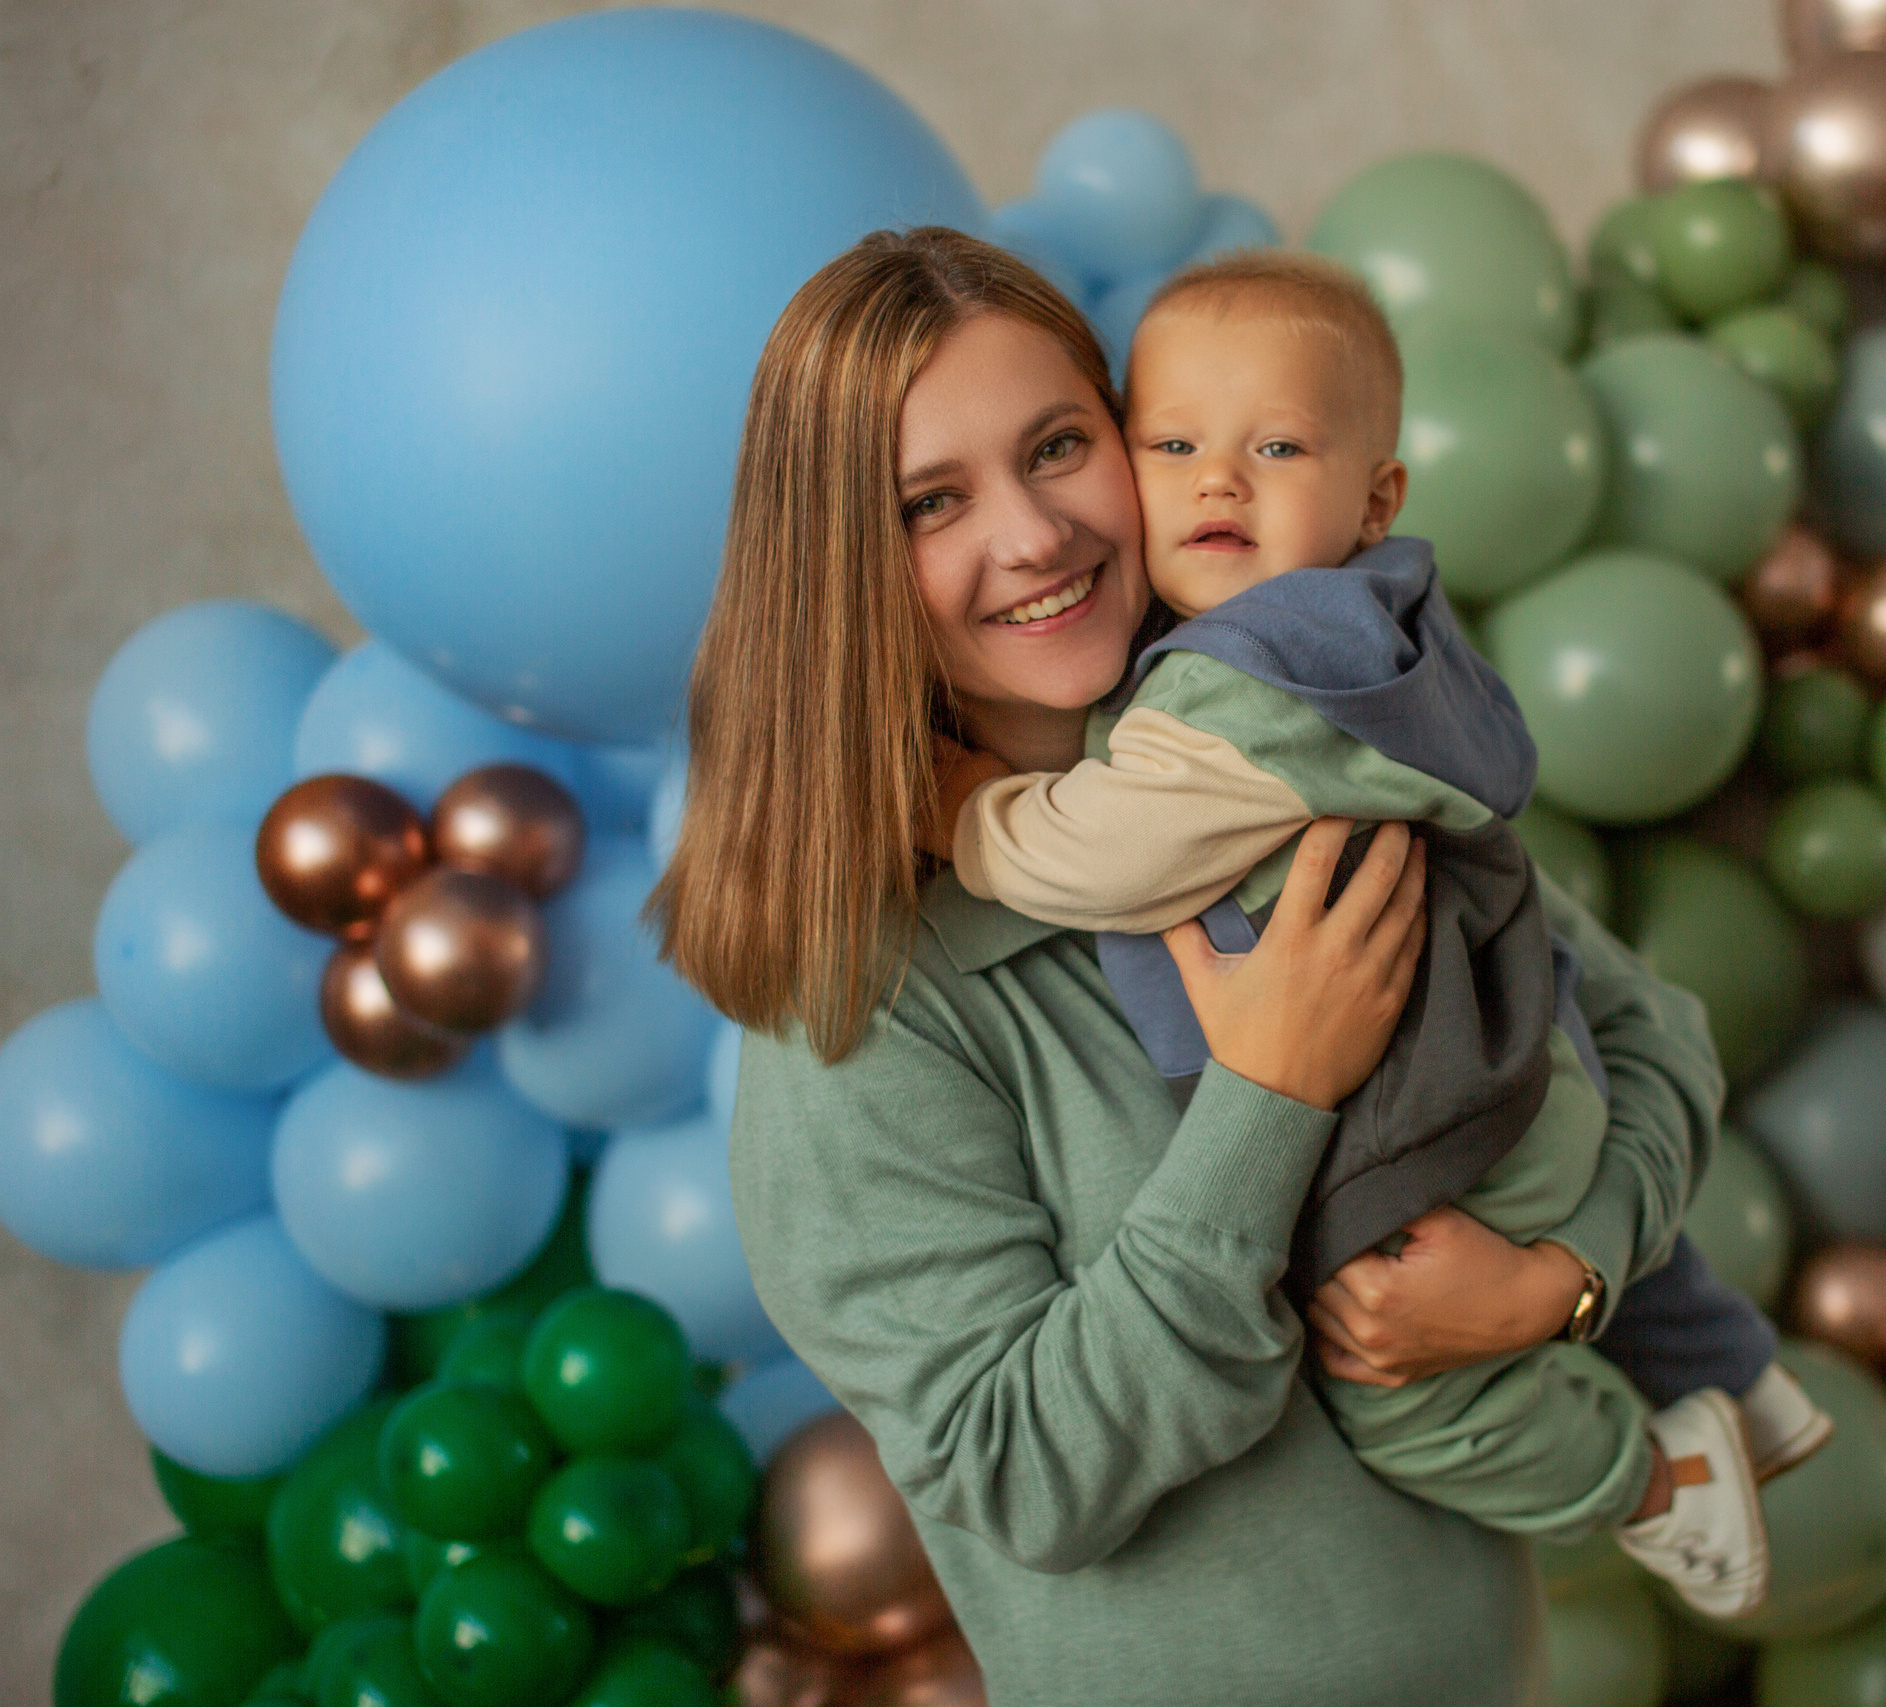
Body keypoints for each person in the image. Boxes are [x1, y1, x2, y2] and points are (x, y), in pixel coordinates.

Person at [655, 227, 1721, 1707]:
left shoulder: (1302, 747)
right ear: (841, 569)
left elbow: (1651, 1040)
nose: (1035, 535)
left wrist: (1556, 1281)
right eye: (930, 503)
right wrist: (1270, 1097)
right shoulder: (861, 1009)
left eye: (1058, 447)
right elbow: (1022, 1473)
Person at [927, 251, 1827, 1618]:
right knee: (1567, 1170)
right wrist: (1576, 1269)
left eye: (1277, 448)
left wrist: (961, 809)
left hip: (1442, 1118)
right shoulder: (1371, 632)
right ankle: (1736, 1375)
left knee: (1407, 1400)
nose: (1219, 484)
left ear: (1376, 498)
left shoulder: (1250, 679)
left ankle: (1660, 1482)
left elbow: (1098, 850)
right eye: (1174, 445)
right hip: (1528, 1063)